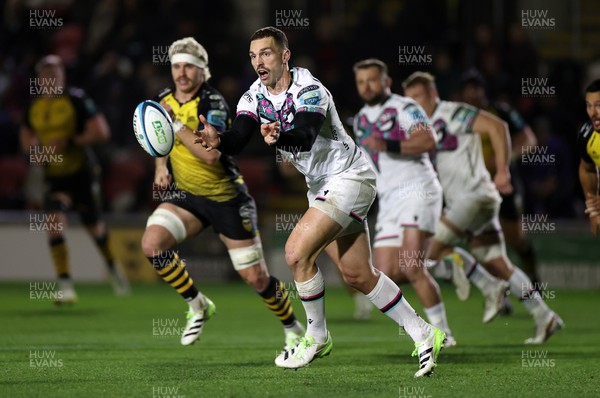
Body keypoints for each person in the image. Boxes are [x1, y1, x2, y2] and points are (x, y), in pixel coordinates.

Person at [195, 26, 445, 377]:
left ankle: (316, 336)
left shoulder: (309, 88)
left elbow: (308, 133)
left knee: (296, 252)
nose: (258, 62)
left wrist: (281, 133)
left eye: (266, 53)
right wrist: (218, 139)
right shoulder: (255, 95)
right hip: (322, 186)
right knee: (358, 275)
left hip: (351, 177)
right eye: (253, 55)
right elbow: (239, 136)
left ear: (285, 55)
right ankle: (424, 333)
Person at [140, 37, 304, 348]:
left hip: (226, 198)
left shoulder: (212, 103)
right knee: (152, 245)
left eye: (189, 66)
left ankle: (293, 327)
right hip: (188, 196)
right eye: (177, 66)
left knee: (256, 278)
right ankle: (198, 304)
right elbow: (158, 138)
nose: (182, 73)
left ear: (203, 71)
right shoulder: (163, 99)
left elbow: (211, 155)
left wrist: (175, 124)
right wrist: (161, 168)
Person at [403, 72, 563, 343]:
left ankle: (490, 288)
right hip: (475, 201)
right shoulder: (425, 125)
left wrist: (503, 171)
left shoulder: (452, 113)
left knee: (426, 254)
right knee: (497, 261)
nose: (414, 104)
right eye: (409, 100)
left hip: (474, 197)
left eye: (418, 97)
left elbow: (498, 127)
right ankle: (545, 316)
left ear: (433, 95)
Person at [351, 58, 457, 345]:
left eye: (372, 80)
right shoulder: (360, 119)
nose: (367, 86)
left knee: (412, 266)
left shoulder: (404, 107)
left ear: (386, 82)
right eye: (361, 81)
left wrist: (390, 144)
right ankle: (445, 264)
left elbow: (427, 141)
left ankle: (442, 333)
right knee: (385, 273)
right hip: (388, 198)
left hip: (417, 189)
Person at [20, 55, 129, 304]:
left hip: (81, 172)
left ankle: (112, 266)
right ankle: (66, 285)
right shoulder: (34, 107)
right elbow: (27, 135)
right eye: (46, 75)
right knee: (53, 222)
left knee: (94, 228)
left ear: (62, 77)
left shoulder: (76, 100)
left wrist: (69, 142)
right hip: (54, 176)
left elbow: (101, 131)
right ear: (39, 79)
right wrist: (34, 152)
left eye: (55, 74)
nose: (50, 79)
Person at [461, 68, 540, 288]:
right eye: (467, 89)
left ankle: (533, 278)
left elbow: (529, 138)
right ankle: (499, 292)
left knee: (516, 239)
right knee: (484, 242)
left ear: (482, 91)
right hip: (476, 186)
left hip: (505, 184)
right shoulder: (459, 117)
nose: (471, 94)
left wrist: (506, 158)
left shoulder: (499, 112)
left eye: (475, 89)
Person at [578, 79, 600, 235]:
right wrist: (593, 210)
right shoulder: (587, 135)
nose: (593, 113)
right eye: (588, 105)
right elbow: (587, 169)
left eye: (599, 105)